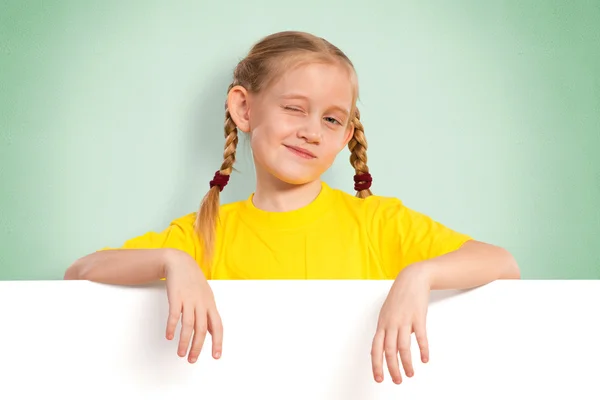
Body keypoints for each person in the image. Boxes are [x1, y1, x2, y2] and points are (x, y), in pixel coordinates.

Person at [64, 30, 520, 385]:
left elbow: (502, 264)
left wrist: (419, 275)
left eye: (330, 119)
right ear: (244, 110)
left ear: (345, 137)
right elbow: (81, 271)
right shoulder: (204, 233)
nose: (312, 132)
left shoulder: (379, 223)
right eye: (294, 108)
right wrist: (173, 260)